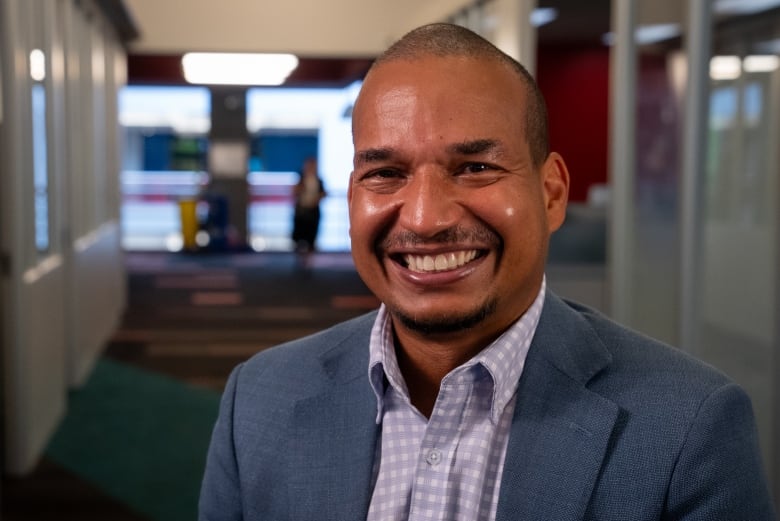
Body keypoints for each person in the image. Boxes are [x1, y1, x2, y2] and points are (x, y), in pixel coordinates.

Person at [199, 23, 775, 520]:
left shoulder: (689, 429)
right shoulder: (258, 400)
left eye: (475, 166)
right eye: (385, 173)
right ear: (352, 197)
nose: (424, 219)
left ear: (551, 195)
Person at [291, 157, 326, 255]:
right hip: (301, 212)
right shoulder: (300, 178)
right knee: (299, 238)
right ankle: (299, 261)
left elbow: (324, 193)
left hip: (313, 211)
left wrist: (317, 198)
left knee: (311, 237)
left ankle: (309, 261)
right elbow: (294, 191)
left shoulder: (319, 180)